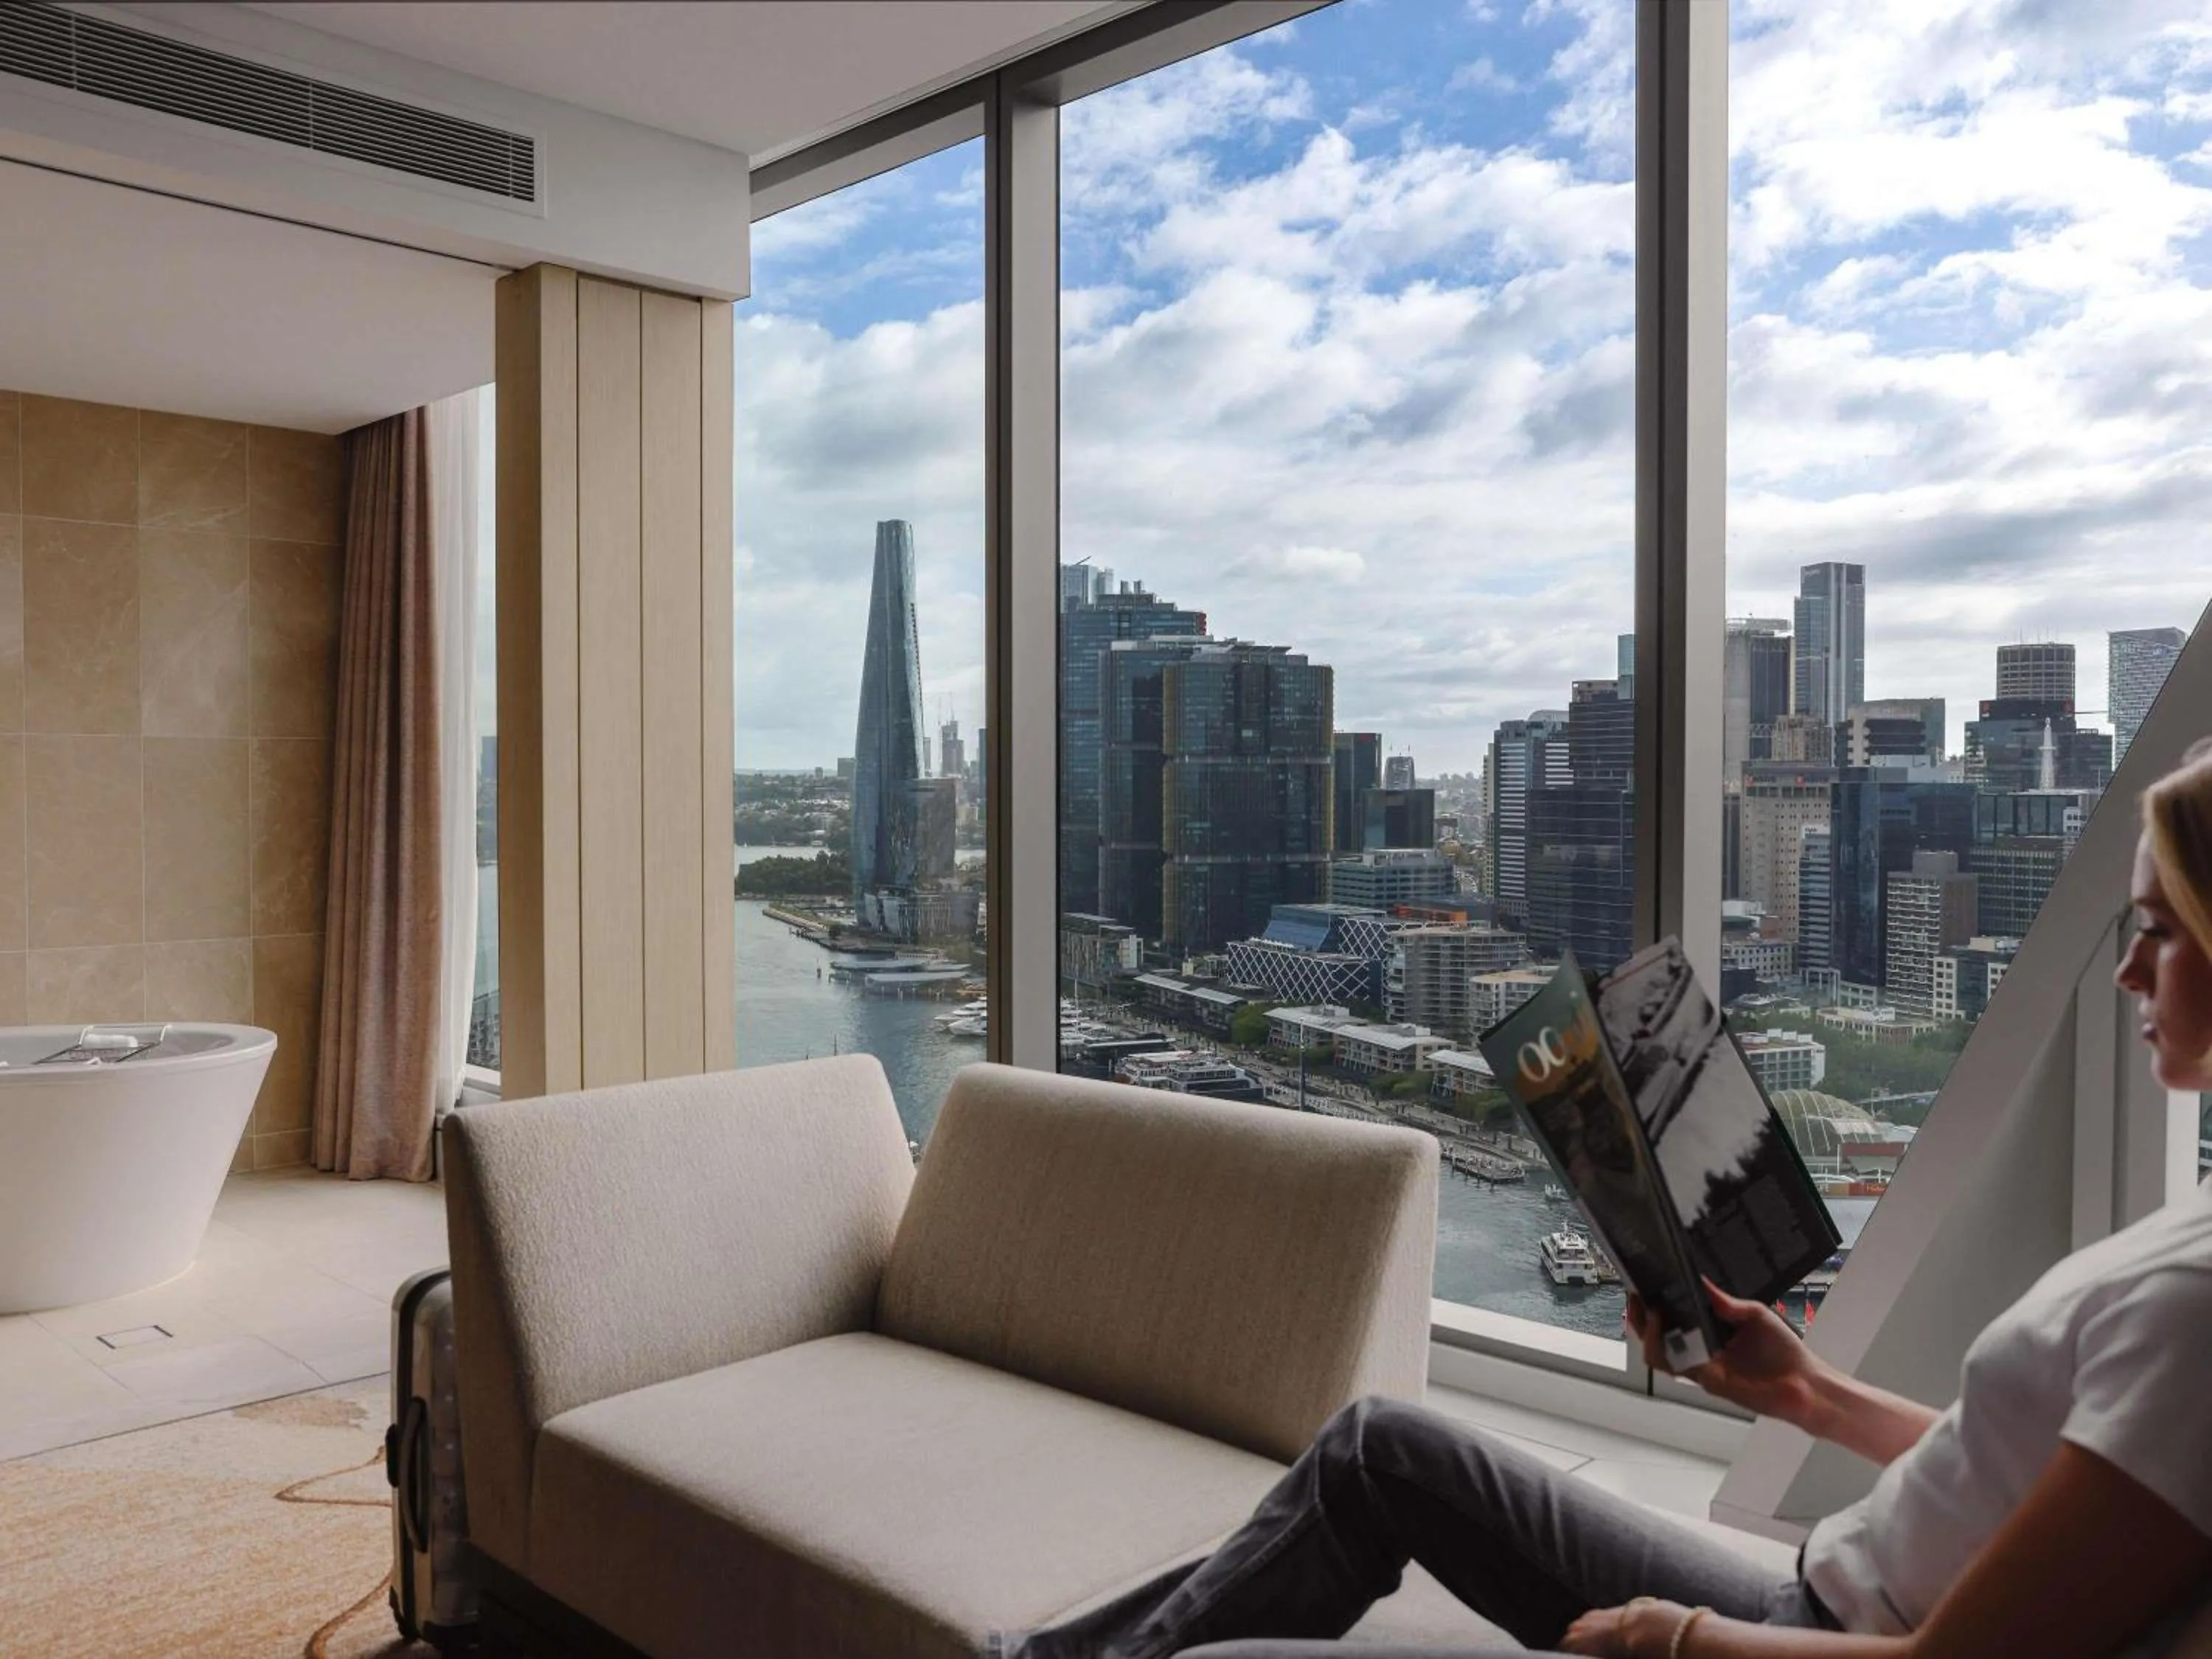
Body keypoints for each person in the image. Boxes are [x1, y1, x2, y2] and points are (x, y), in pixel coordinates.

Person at [999, 739, 2212, 1659]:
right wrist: (1809, 1392)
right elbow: (2016, 1482)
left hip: (1810, 1623)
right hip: (1827, 1588)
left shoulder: (2196, 1304)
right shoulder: (2193, 1244)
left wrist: (1680, 1638)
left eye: (2158, 930)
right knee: (1378, 1448)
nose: (2123, 967)